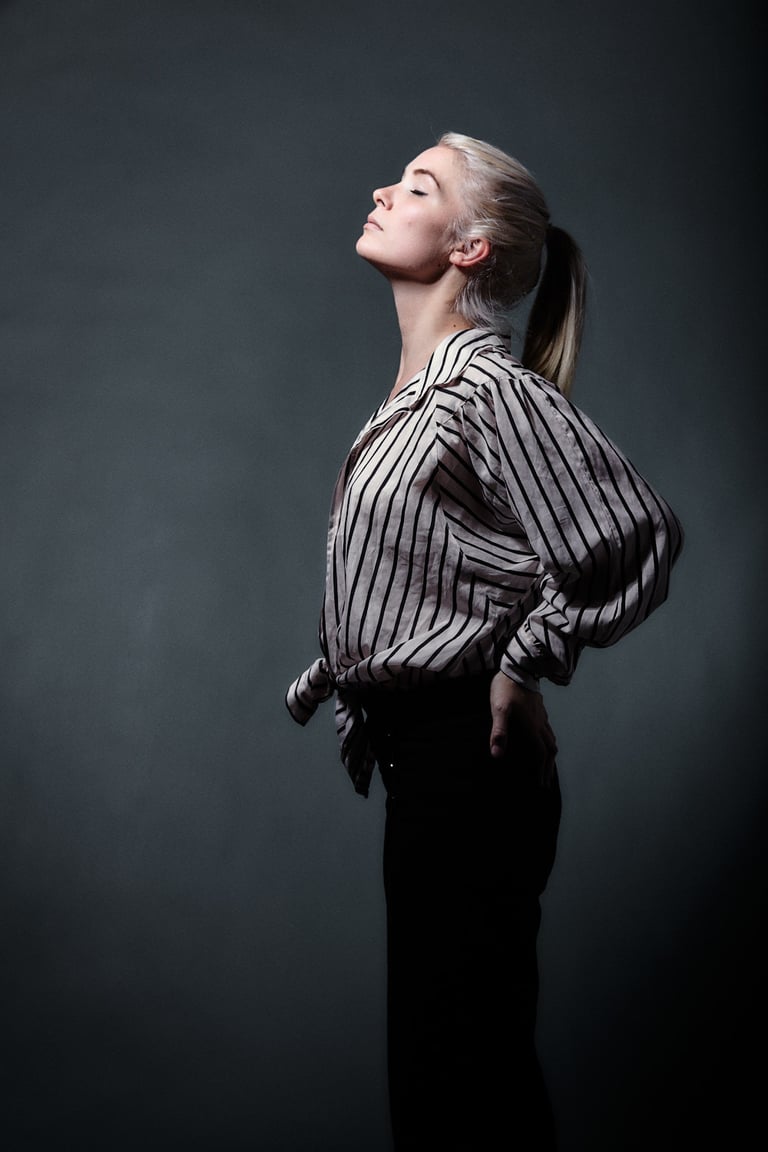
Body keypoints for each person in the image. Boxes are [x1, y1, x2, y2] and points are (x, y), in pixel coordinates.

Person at [286, 132, 683, 1150]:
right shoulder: (413, 402)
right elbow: (435, 576)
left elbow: (633, 535)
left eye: (417, 184)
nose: (381, 186)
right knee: (443, 1083)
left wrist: (524, 661)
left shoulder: (483, 389)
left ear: (467, 249)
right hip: (430, 765)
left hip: (471, 759)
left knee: (462, 1087)